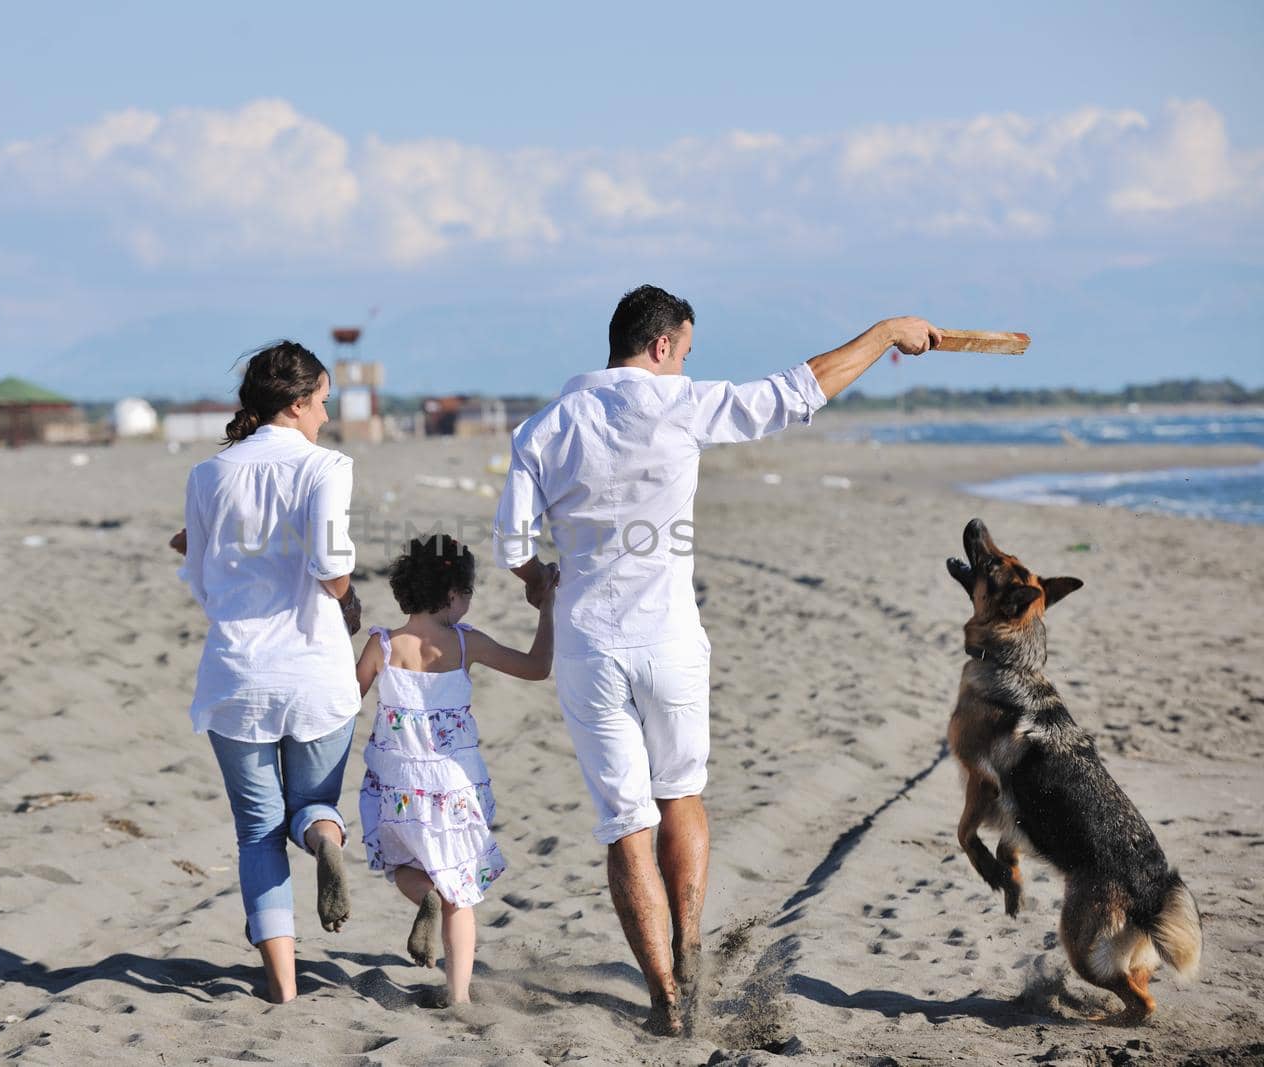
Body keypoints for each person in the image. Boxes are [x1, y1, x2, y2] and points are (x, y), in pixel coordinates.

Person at [492, 285, 941, 1034]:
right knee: (682, 795)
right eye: (687, 354)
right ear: (662, 346)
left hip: (587, 645)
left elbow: (513, 548)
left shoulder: (545, 427)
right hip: (668, 638)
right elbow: (802, 389)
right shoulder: (679, 405)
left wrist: (543, 582)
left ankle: (666, 992)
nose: (686, 366)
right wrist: (889, 331)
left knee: (623, 823)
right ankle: (691, 938)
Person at [174, 340, 363, 1004]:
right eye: (323, 403)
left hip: (237, 676)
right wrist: (346, 588)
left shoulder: (206, 475)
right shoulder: (325, 467)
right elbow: (334, 568)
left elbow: (199, 580)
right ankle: (321, 837)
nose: (326, 417)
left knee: (257, 829)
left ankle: (281, 985)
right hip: (314, 672)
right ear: (298, 401)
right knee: (313, 803)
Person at [355, 533, 556, 1006]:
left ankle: (423, 895)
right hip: (453, 786)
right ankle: (459, 996)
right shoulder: (466, 645)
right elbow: (536, 667)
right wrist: (546, 609)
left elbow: (346, 703)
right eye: (468, 594)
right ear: (452, 596)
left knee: (402, 864)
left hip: (398, 782)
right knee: (460, 893)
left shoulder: (383, 646)